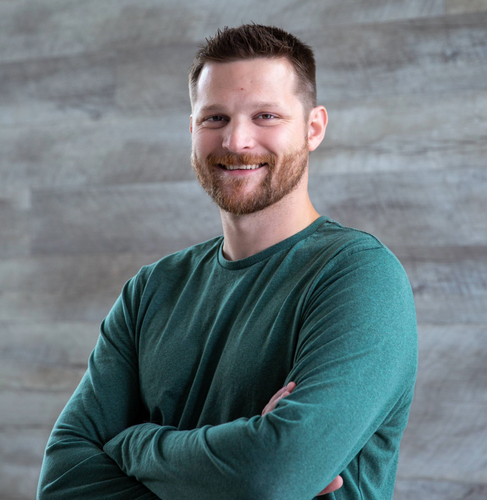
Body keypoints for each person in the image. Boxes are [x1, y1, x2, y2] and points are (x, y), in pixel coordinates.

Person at [37, 24, 418, 500]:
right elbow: (62, 482)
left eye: (266, 116)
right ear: (192, 130)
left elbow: (270, 474)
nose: (237, 141)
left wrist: (134, 444)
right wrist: (238, 461)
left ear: (313, 128)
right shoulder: (152, 289)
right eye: (215, 118)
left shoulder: (358, 276)